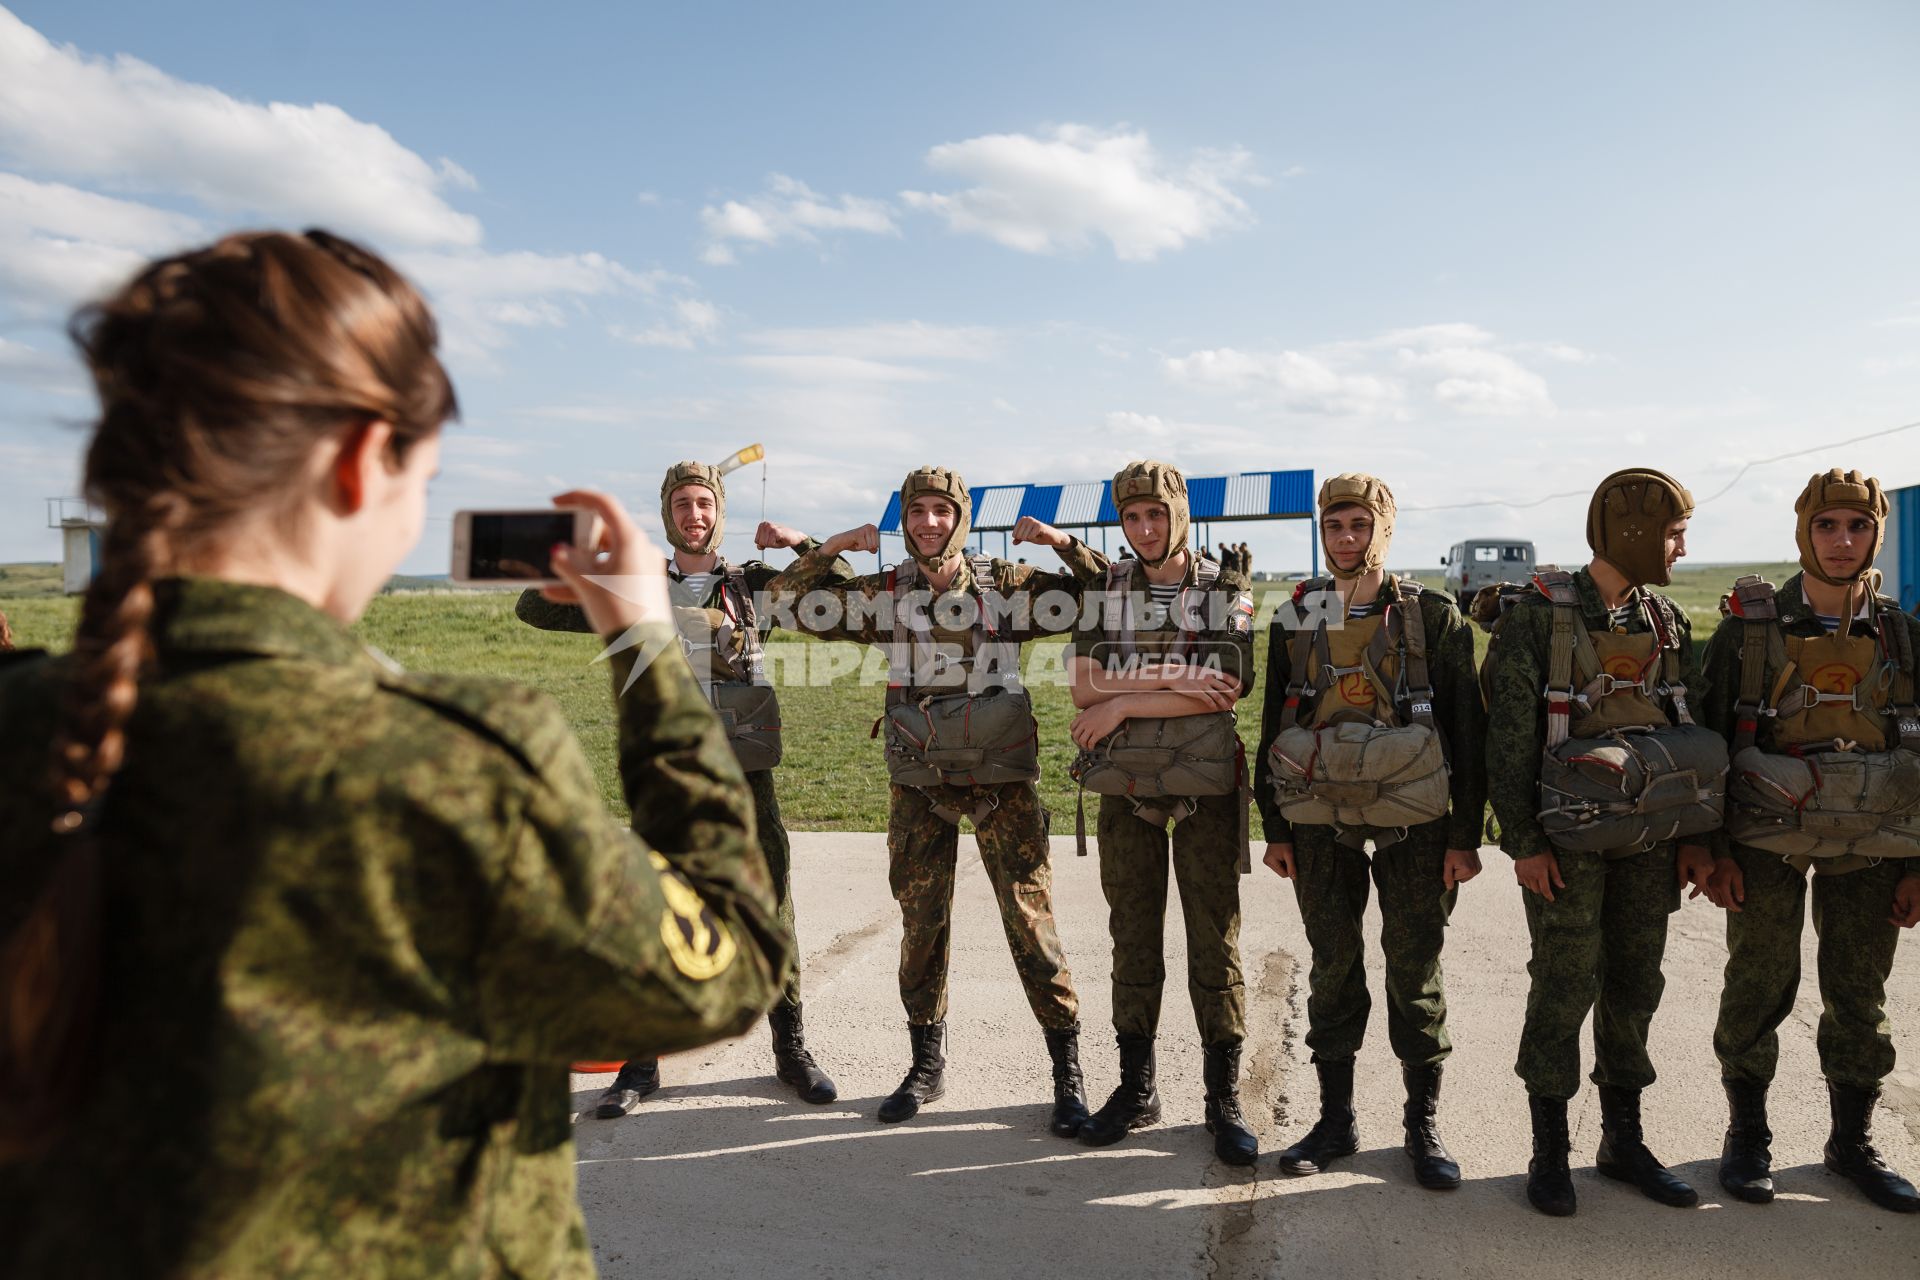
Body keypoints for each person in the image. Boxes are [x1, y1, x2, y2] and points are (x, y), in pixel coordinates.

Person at [0, 231, 791, 1278]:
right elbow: (727, 962)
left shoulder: (29, 724)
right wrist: (642, 641)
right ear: (360, 459)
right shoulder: (456, 767)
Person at [766, 466, 1108, 1133]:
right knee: (922, 923)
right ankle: (926, 1064)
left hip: (1001, 780)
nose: (928, 523)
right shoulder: (887, 594)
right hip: (921, 780)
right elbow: (784, 603)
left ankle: (1068, 1075)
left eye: (942, 511)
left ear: (962, 517)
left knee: (1031, 924)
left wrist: (1065, 546)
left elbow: (1105, 597)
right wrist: (835, 542)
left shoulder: (1006, 586)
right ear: (904, 518)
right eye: (916, 511)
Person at [515, 462, 853, 1118]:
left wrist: (801, 542)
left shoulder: (757, 585)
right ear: (667, 515)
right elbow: (534, 608)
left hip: (747, 777)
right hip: (669, 780)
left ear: (718, 512)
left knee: (774, 910)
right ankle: (642, 1066)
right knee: (658, 912)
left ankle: (792, 1051)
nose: (694, 514)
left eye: (703, 503)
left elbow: (839, 593)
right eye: (682, 504)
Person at [1482, 468, 1716, 1217]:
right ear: (1636, 535)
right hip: (1567, 842)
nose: (1682, 547)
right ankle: (1549, 1153)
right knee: (1563, 983)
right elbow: (1508, 740)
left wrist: (1692, 839)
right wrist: (1523, 842)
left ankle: (1622, 1142)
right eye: (1674, 533)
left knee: (1636, 983)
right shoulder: (1539, 620)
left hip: (1649, 839)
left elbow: (1683, 730)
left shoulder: (1665, 623)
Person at [1255, 474, 1486, 1188]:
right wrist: (1276, 828)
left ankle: (1422, 1127)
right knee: (1332, 963)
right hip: (1319, 819)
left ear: (1384, 529)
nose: (1346, 539)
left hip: (1416, 823)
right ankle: (1336, 1120)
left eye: (1359, 525)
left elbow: (1469, 734)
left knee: (1414, 966)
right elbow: (1274, 725)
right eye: (1334, 526)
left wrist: (1466, 838)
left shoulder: (1431, 617)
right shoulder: (1299, 614)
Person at [1699, 469, 1920, 1213]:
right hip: (1764, 841)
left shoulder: (1904, 636)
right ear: (1804, 530)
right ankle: (1747, 1136)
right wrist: (1712, 849)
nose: (1842, 541)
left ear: (1875, 536)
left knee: (1859, 993)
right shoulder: (1749, 631)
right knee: (1758, 983)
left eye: (1858, 526)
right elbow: (1708, 741)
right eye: (1827, 525)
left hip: (1875, 842)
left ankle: (1851, 1142)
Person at [1064, 461, 1259, 1165]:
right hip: (1127, 787)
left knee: (1215, 939)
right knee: (1133, 937)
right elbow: (1082, 688)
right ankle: (1135, 1088)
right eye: (1132, 517)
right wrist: (1165, 681)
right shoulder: (1106, 589)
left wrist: (1122, 698)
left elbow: (1229, 686)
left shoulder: (1222, 588)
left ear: (1179, 514)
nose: (1145, 530)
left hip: (1204, 789)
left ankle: (1223, 1098)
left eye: (1156, 515)